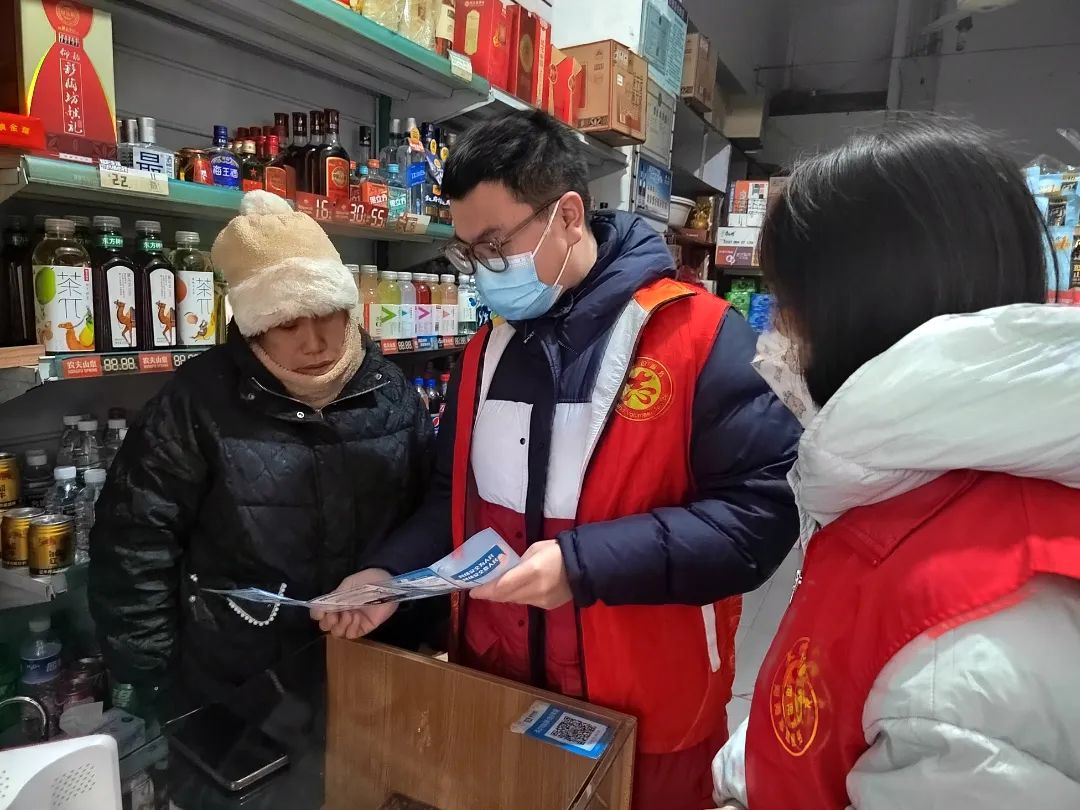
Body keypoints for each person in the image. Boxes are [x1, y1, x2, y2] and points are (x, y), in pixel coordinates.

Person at [316, 110, 801, 809]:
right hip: (497, 693)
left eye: (495, 245)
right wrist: (389, 574)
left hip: (644, 713)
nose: (485, 270)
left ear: (568, 216)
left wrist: (582, 565)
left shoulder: (697, 338)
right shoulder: (485, 352)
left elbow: (756, 522)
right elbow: (454, 498)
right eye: (467, 252)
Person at [711, 119, 1080, 809]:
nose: (775, 335)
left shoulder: (969, 651)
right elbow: (842, 697)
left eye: (788, 305)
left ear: (858, 311)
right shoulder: (916, 494)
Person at [89, 190, 433, 701]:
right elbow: (135, 545)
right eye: (287, 323)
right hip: (238, 683)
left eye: (327, 313)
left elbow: (428, 515)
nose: (314, 342)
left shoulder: (391, 391)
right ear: (254, 328)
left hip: (378, 661)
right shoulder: (196, 403)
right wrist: (154, 681)